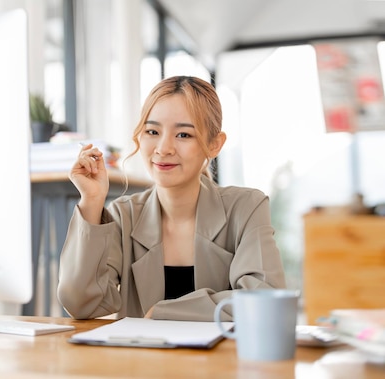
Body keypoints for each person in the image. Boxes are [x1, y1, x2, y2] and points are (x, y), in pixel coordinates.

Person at [57, 75, 286, 322]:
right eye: (152, 131)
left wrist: (166, 312)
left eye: (183, 135)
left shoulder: (246, 208)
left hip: (221, 361)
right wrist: (91, 202)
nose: (163, 148)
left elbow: (264, 301)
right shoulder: (124, 215)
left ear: (214, 145)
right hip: (142, 360)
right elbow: (81, 304)